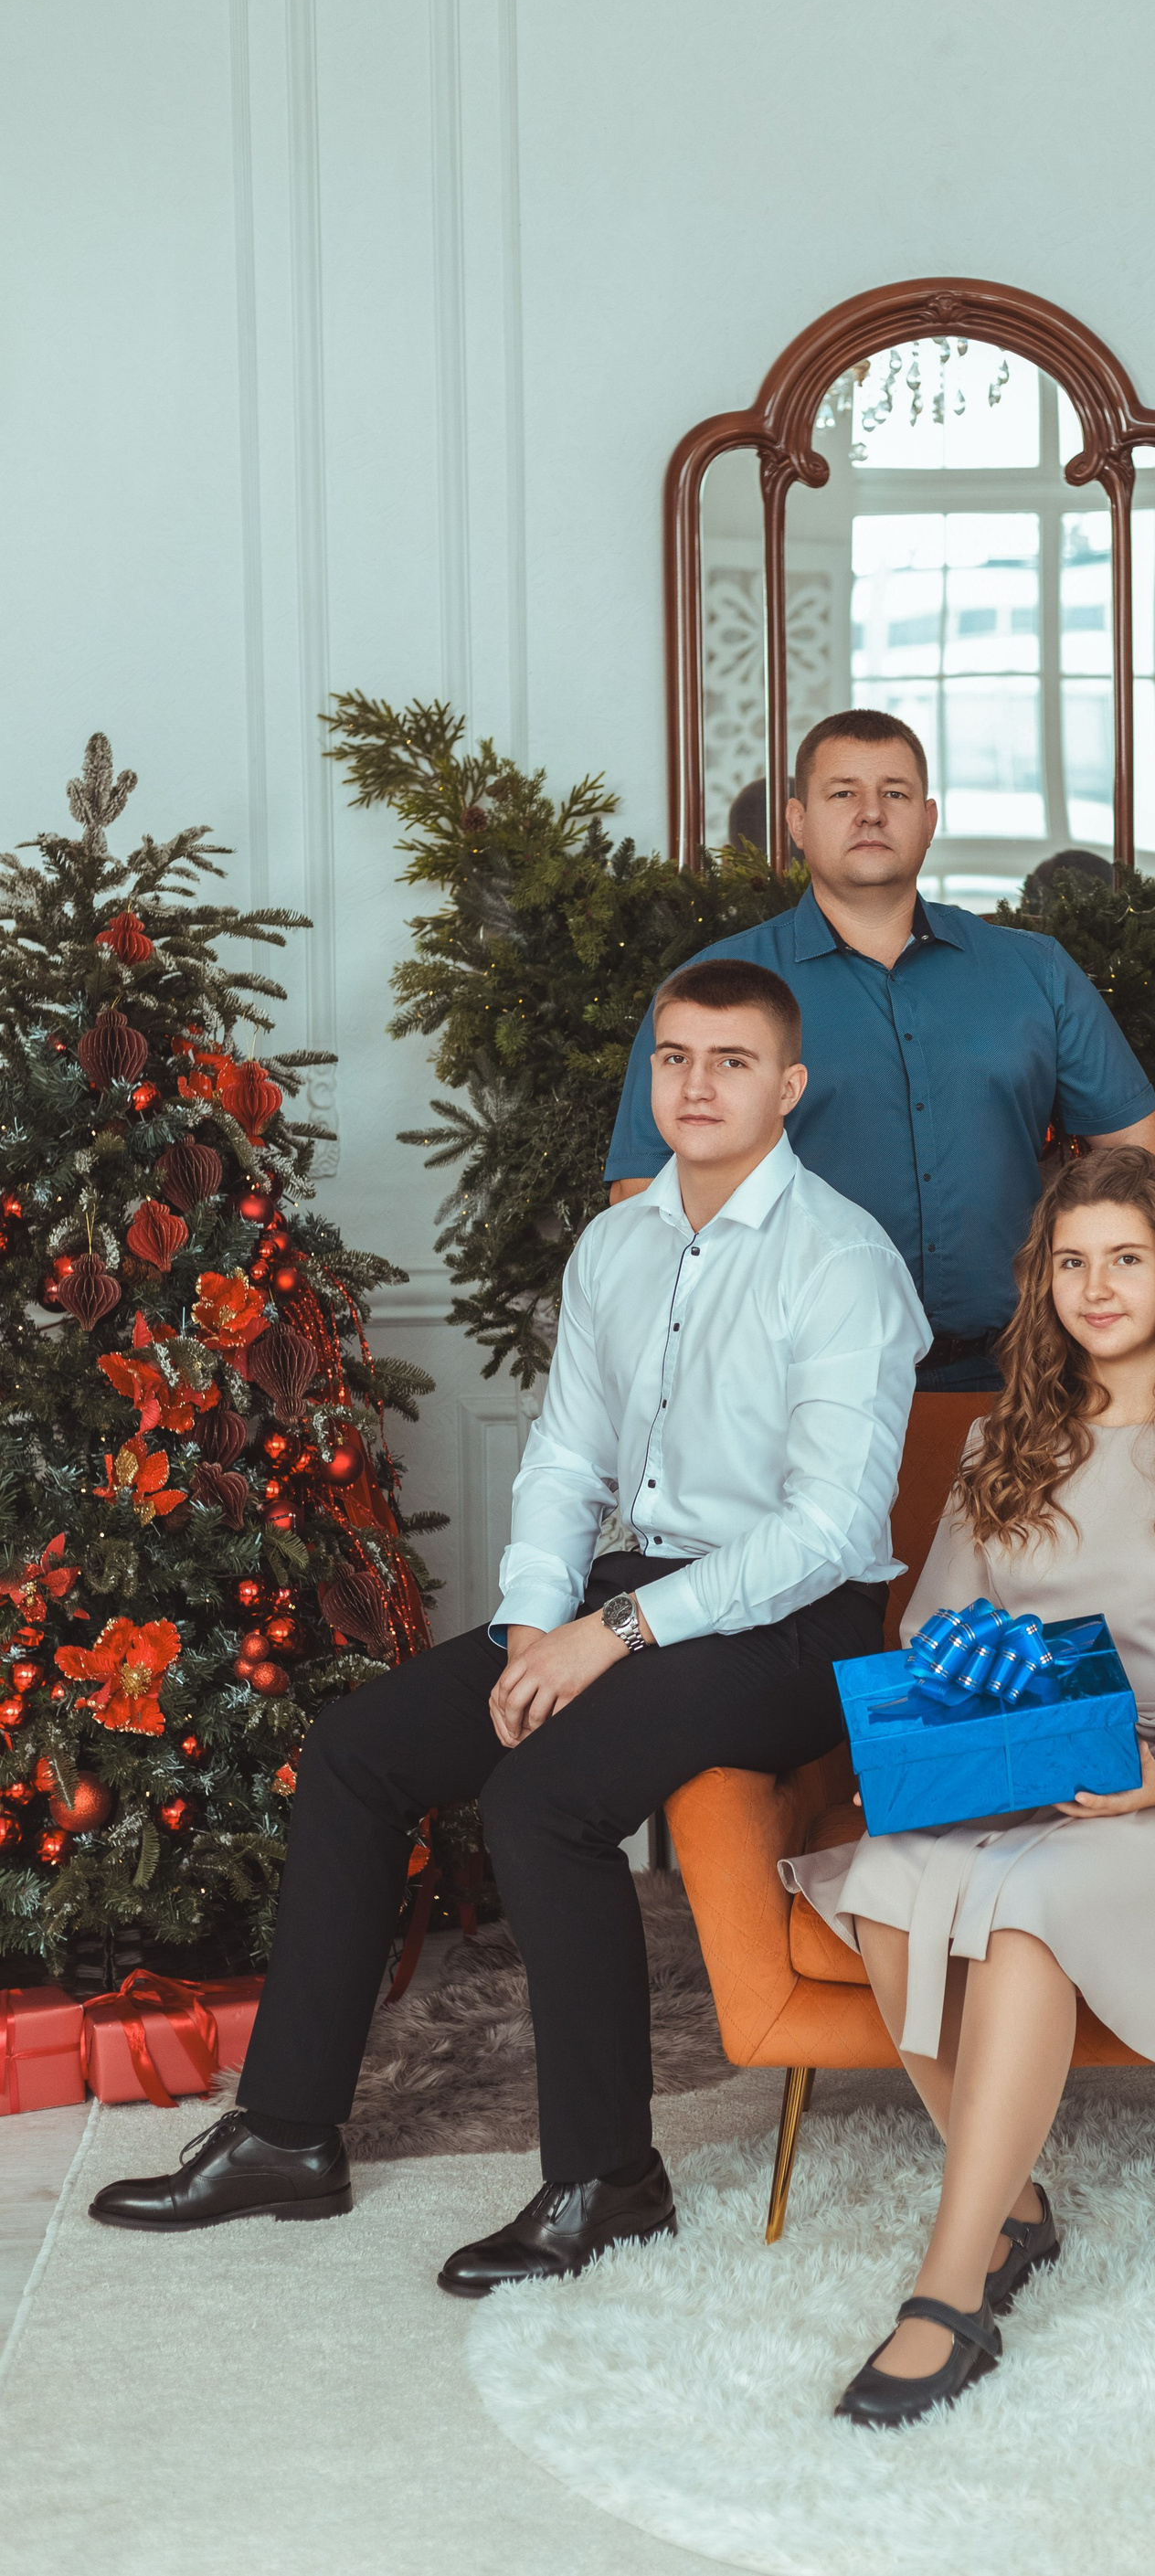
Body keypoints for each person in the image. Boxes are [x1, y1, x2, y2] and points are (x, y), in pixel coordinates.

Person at [90, 959, 930, 2291]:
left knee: (540, 1801)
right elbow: (566, 1459)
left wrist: (615, 1632)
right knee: (359, 1751)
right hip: (633, 1592)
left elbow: (826, 1529)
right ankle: (287, 2133)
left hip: (798, 1627)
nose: (696, 1084)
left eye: (730, 1061)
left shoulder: (842, 1260)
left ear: (789, 1087)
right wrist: (538, 1622)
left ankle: (610, 2181)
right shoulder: (618, 1244)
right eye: (674, 1057)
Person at [784, 1146, 1155, 2425]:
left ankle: (948, 2288)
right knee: (885, 1882)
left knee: (1029, 1915)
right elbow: (934, 1631)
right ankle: (1017, 2207)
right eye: (1074, 1261)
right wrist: (949, 1742)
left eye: (1127, 1260)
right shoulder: (1004, 1444)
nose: (1097, 1287)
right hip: (1025, 1763)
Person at [606, 706, 1155, 1390]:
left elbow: (1154, 1172)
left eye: (896, 794)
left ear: (929, 820)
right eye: (843, 793)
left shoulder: (1036, 972)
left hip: (1022, 1382)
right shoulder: (715, 987)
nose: (871, 813)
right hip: (788, 1384)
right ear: (796, 822)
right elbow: (641, 1201)